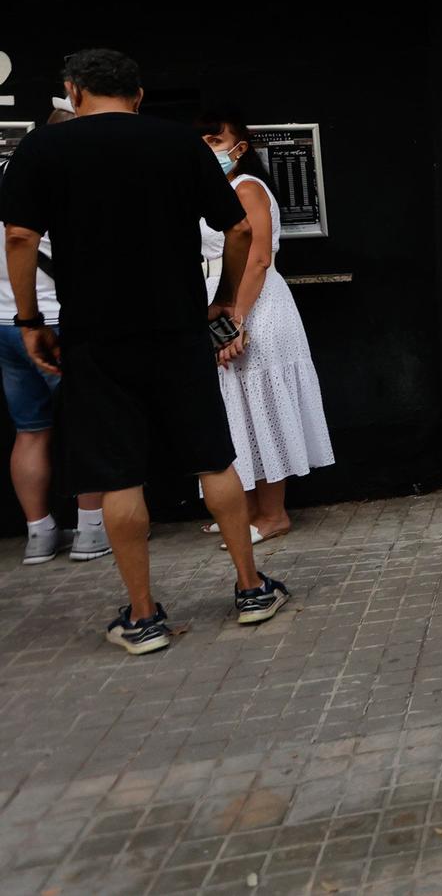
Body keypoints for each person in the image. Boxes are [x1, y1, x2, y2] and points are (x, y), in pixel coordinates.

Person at [0, 49, 287, 656]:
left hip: (95, 334)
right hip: (178, 327)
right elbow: (238, 229)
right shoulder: (179, 145)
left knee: (117, 473)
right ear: (137, 95)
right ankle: (251, 587)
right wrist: (225, 301)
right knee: (213, 458)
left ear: (73, 91)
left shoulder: (41, 150)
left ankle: (143, 615)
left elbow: (21, 235)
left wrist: (29, 319)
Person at [194, 111, 337, 543]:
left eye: (216, 140)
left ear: (241, 148)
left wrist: (235, 321)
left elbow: (256, 259)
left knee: (263, 407)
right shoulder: (211, 192)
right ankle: (245, 509)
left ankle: (272, 514)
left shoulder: (248, 187)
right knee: (237, 411)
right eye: (202, 140)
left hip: (255, 305)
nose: (208, 148)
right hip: (226, 304)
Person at [1, 107, 107, 566]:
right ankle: (91, 530)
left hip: (5, 323)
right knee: (91, 425)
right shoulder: (69, 178)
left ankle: (39, 534)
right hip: (58, 321)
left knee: (30, 431)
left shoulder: (10, 176)